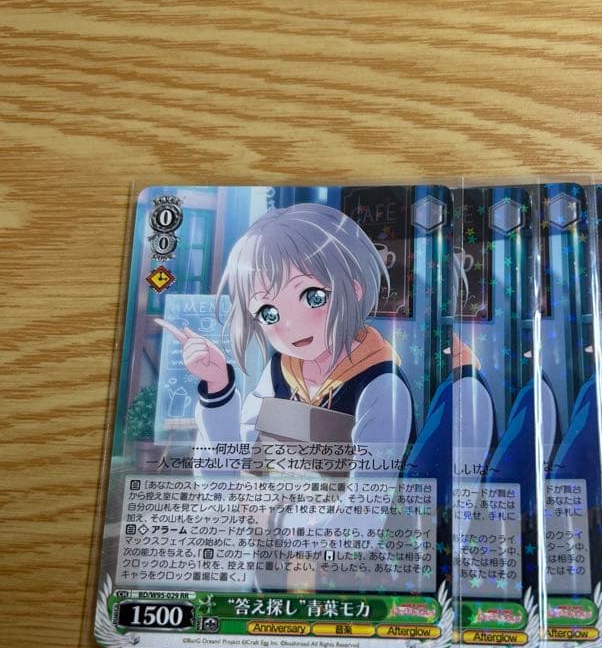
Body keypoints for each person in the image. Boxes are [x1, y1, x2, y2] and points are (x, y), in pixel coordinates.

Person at [157, 202, 415, 471]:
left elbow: (370, 491)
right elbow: (232, 467)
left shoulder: (381, 384)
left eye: (313, 297)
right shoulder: (279, 371)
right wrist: (218, 385)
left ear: (353, 290)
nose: (291, 325)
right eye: (268, 312)